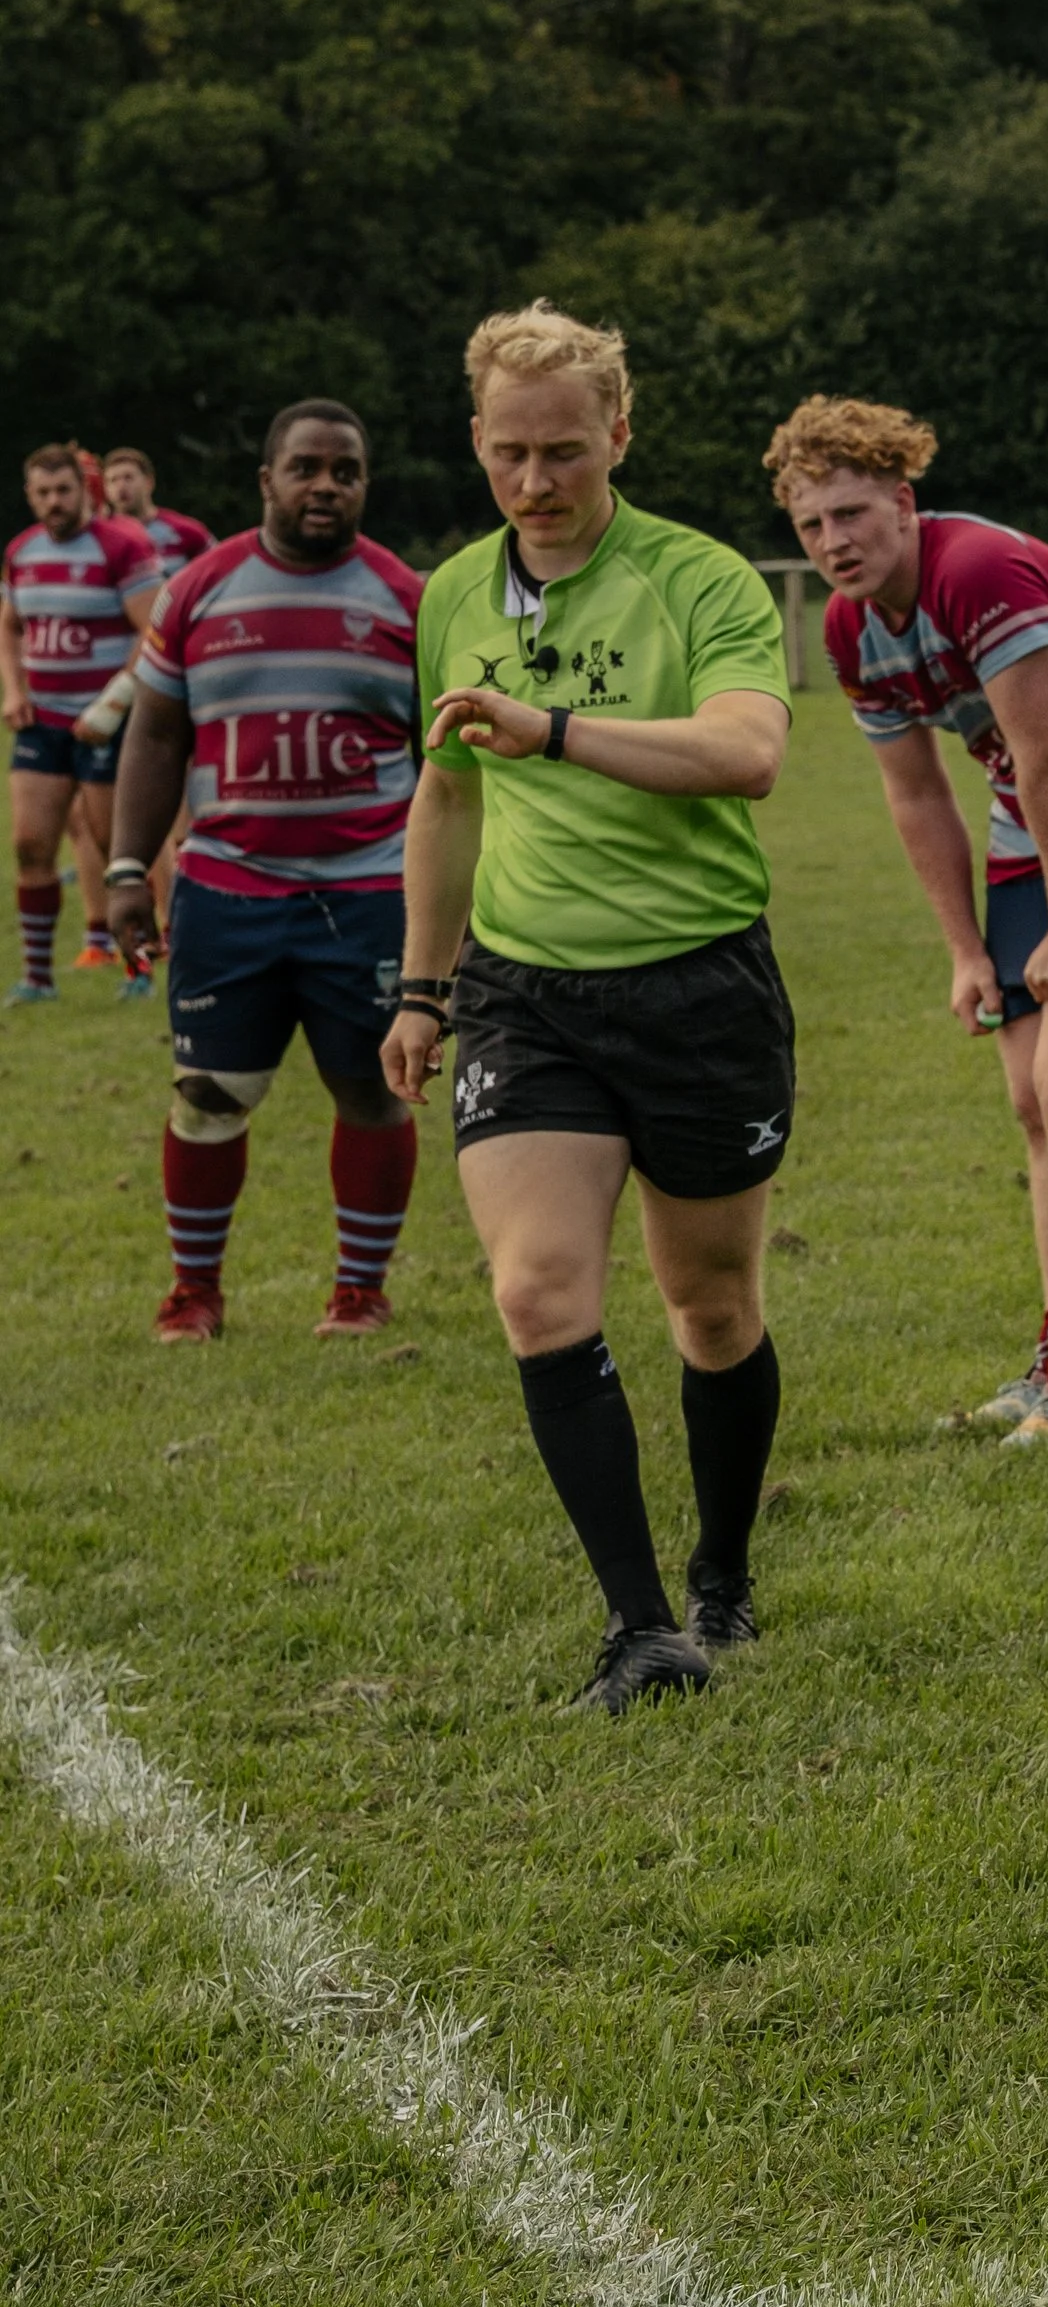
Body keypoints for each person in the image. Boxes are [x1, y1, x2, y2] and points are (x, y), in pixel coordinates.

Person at [382, 302, 795, 1712]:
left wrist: (553, 727)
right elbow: (445, 795)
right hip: (523, 989)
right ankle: (638, 1629)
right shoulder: (451, 596)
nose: (538, 481)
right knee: (538, 1285)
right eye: (510, 451)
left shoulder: (702, 579)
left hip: (697, 981)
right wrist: (425, 990)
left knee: (712, 1305)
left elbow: (748, 753)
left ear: (620, 431)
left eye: (565, 449)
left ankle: (723, 1571)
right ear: (480, 442)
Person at [768, 394, 1048, 1447]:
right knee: (1030, 1101)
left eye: (852, 514)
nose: (834, 542)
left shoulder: (977, 573)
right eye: (811, 526)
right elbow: (919, 795)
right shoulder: (846, 626)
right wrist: (966, 951)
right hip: (1036, 836)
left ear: (903, 503)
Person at [106, 403, 424, 1344]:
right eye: (306, 468)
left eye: (346, 470)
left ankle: (359, 1293)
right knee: (207, 1095)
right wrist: (128, 869)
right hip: (227, 892)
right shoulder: (199, 589)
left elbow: (448, 766)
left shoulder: (409, 598)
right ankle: (194, 1294)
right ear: (267, 480)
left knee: (370, 1091)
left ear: (365, 483)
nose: (325, 485)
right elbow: (156, 735)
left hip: (369, 894)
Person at [2, 444, 157, 1001]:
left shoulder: (123, 546)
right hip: (43, 721)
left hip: (105, 725)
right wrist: (14, 690)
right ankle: (37, 979)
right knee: (30, 844)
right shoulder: (22, 550)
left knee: (115, 847)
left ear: (83, 490)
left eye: (63, 490)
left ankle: (137, 970)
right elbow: (11, 627)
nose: (54, 502)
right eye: (42, 493)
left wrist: (112, 704)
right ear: (29, 495)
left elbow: (153, 630)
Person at [100, 448, 215, 578]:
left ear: (149, 482)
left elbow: (219, 568)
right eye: (113, 480)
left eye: (128, 478)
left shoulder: (185, 531)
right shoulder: (98, 537)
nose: (121, 486)